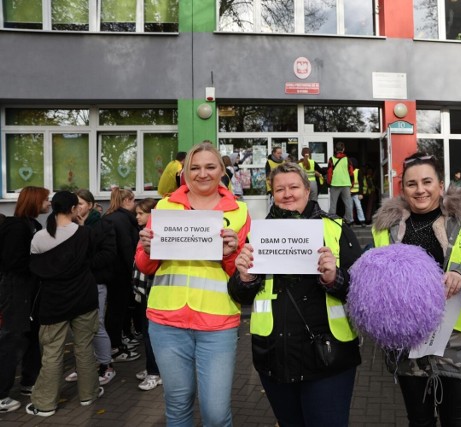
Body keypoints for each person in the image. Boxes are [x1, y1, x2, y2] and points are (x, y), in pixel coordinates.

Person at [371, 153, 461, 426]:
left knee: (459, 422)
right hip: (409, 345)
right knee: (419, 422)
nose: (420, 190)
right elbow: (372, 284)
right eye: (412, 184)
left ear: (441, 184)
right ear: (402, 188)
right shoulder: (385, 230)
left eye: (427, 181)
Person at [229, 162, 362, 427]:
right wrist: (244, 278)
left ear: (307, 190)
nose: (287, 194)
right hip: (275, 356)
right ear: (273, 194)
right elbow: (239, 294)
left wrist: (335, 279)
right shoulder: (259, 233)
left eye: (293, 187)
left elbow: (362, 288)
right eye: (280, 189)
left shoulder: (336, 228)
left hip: (328, 357)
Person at [135, 141, 250, 426]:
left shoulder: (239, 211)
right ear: (184, 171)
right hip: (166, 321)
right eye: (194, 168)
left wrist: (232, 252)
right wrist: (147, 250)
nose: (202, 173)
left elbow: (244, 273)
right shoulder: (164, 206)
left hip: (217, 323)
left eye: (210, 167)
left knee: (215, 412)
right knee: (177, 403)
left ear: (222, 170)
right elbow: (144, 265)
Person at [27, 191, 102, 417]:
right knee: (85, 348)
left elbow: (35, 270)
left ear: (53, 207)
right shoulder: (85, 233)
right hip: (84, 299)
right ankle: (89, 394)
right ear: (73, 209)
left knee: (51, 352)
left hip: (54, 302)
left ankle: (45, 403)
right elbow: (93, 260)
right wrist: (80, 225)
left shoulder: (39, 237)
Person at [0, 187, 50, 413]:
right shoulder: (15, 227)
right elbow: (12, 262)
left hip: (32, 292)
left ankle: (29, 381)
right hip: (16, 292)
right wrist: (39, 264)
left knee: (31, 336)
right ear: (35, 201)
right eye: (45, 199)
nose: (48, 203)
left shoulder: (35, 225)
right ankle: (1, 395)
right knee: (13, 339)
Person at [65, 189, 118, 386]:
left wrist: (83, 263)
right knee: (78, 325)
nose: (77, 207)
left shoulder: (103, 225)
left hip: (95, 281)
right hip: (74, 283)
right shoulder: (67, 225)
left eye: (80, 203)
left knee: (97, 324)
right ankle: (84, 366)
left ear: (89, 204)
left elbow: (108, 254)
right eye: (74, 203)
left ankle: (106, 365)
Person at [103, 188, 141, 362]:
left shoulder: (109, 217)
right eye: (133, 201)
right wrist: (134, 272)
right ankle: (116, 346)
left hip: (111, 272)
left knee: (115, 310)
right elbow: (127, 249)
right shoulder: (125, 220)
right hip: (122, 273)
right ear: (126, 200)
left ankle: (116, 343)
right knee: (118, 311)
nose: (134, 206)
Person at [130, 198, 163, 391]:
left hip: (152, 291)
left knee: (152, 334)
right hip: (144, 292)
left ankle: (155, 372)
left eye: (141, 213)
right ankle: (152, 367)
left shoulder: (158, 237)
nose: (137, 217)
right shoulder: (142, 234)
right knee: (146, 331)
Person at [327, 141, 354, 225]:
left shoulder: (332, 159)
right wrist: (352, 184)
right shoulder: (347, 159)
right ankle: (349, 220)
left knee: (333, 203)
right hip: (346, 184)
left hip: (335, 184)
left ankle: (332, 220)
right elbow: (351, 173)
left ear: (335, 149)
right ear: (343, 149)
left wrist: (329, 183)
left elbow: (329, 172)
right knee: (348, 203)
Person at [350, 158, 366, 226]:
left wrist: (360, 193)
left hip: (356, 193)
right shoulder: (348, 171)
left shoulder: (358, 171)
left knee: (358, 207)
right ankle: (351, 221)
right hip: (349, 193)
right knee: (350, 208)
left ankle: (362, 221)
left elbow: (361, 182)